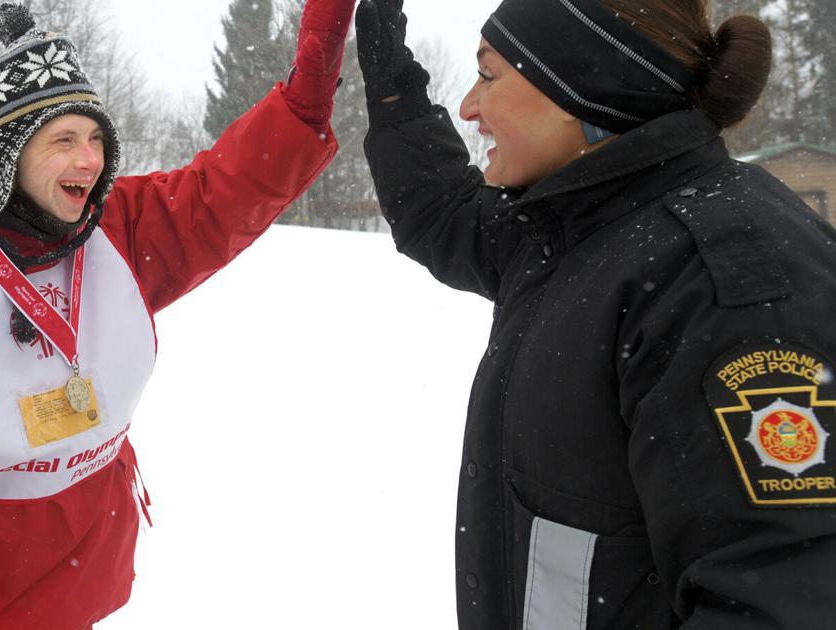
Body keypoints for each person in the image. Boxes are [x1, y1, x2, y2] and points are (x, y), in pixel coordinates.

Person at [0, 0, 351, 628]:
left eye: (96, 138)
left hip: (88, 585)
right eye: (64, 141)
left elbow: (219, 195)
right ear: (8, 154)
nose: (89, 160)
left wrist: (303, 104)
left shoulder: (116, 228)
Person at [356, 0, 836, 627]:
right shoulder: (580, 227)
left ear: (582, 90)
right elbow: (446, 215)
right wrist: (394, 88)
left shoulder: (724, 281)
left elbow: (782, 597)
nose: (471, 106)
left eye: (490, 76)